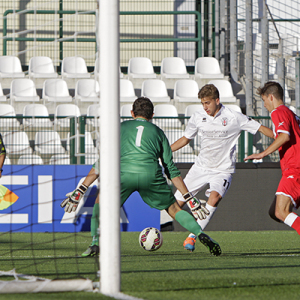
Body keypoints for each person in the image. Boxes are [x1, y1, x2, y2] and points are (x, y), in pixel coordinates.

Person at [61, 97, 222, 257]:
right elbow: (170, 169)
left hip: (124, 175)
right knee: (173, 209)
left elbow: (102, 162)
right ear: (152, 115)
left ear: (132, 113)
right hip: (150, 175)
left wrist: (81, 189)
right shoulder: (158, 132)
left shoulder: (120, 128)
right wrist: (189, 198)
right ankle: (199, 234)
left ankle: (95, 243)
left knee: (100, 201)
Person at [171, 84, 274, 252]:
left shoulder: (234, 117)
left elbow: (261, 129)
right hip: (200, 168)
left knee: (215, 197)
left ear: (217, 101)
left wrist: (283, 139)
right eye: (202, 103)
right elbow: (185, 138)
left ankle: (192, 237)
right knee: (175, 206)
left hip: (222, 170)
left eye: (207, 103)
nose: (205, 107)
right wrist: (167, 150)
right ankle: (192, 210)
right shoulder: (198, 117)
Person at [244, 81, 300, 234]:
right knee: (276, 211)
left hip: (294, 168)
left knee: (280, 212)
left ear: (270, 97)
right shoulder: (291, 114)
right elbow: (278, 135)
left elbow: (284, 136)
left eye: (263, 100)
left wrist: (262, 153)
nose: (264, 105)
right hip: (295, 167)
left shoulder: (278, 112)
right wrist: (256, 126)